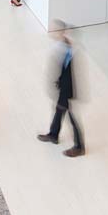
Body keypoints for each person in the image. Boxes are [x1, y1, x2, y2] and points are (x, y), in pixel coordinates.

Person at [37, 21, 85, 157]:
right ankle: (53, 134)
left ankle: (79, 146)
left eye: (53, 30)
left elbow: (69, 74)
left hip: (66, 90)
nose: (50, 32)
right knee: (59, 110)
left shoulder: (66, 49)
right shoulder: (63, 46)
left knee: (71, 116)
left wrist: (61, 93)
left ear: (60, 32)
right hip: (63, 89)